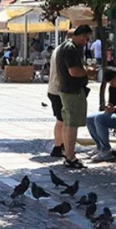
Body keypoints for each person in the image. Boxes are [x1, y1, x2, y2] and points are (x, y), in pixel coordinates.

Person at [57, 24, 93, 169]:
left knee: (67, 123)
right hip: (73, 91)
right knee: (72, 124)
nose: (86, 42)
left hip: (66, 89)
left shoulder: (65, 46)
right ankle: (71, 157)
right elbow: (74, 71)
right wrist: (88, 71)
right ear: (81, 35)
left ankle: (68, 154)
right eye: (86, 38)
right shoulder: (71, 49)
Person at [48, 30, 75, 158]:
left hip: (54, 89)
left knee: (61, 120)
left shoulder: (58, 49)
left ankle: (60, 145)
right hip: (59, 90)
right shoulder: (66, 50)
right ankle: (58, 146)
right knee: (62, 120)